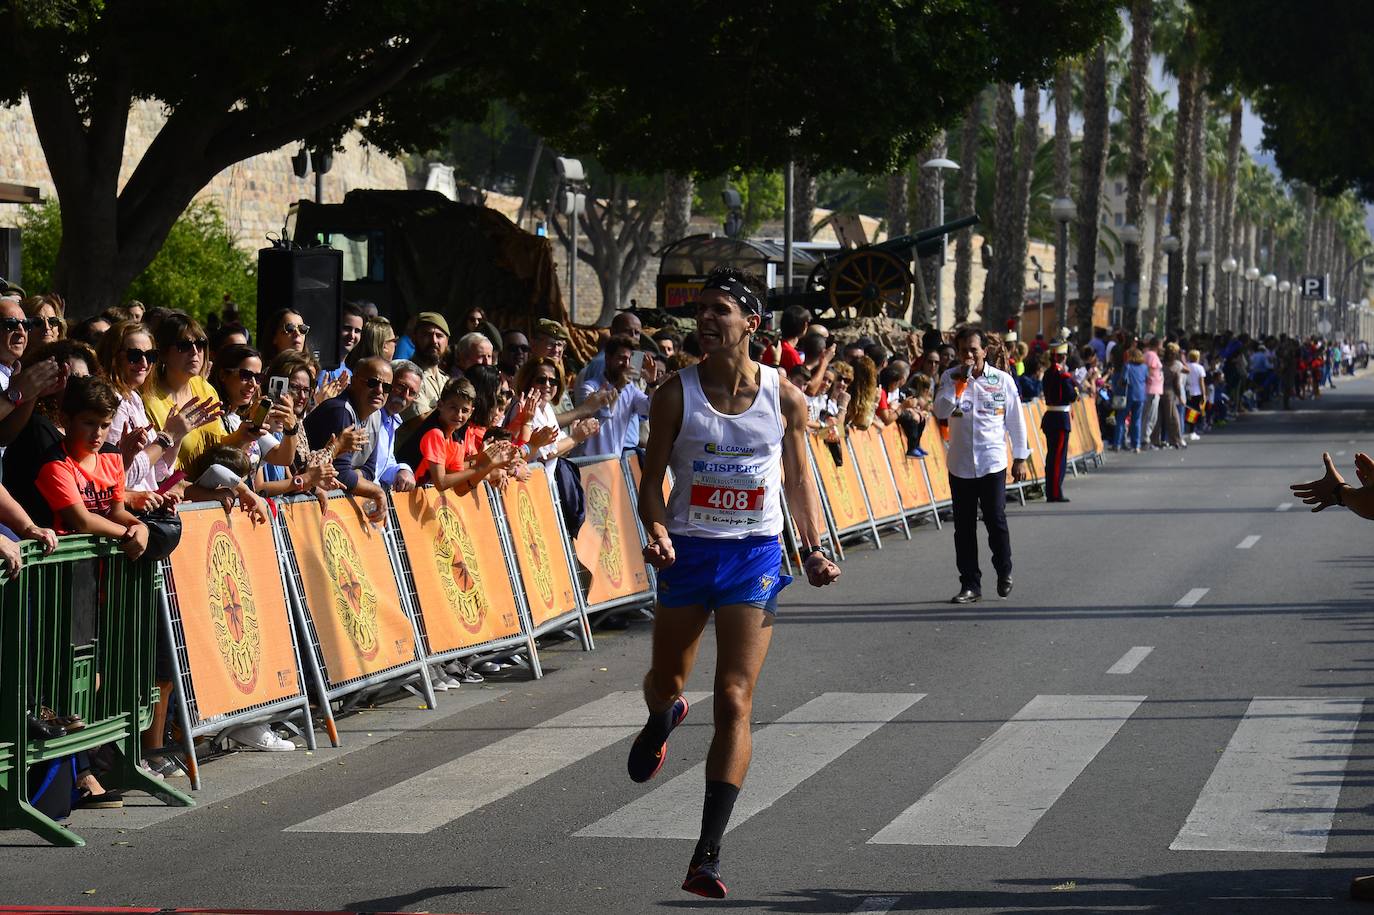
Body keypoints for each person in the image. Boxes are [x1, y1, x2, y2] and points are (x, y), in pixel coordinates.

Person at [634, 266, 840, 899]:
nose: (707, 319)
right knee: (668, 679)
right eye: (702, 310)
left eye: (720, 309)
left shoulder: (786, 397)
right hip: (688, 553)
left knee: (734, 697)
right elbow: (648, 483)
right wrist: (658, 527)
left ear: (751, 322)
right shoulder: (676, 393)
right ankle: (666, 712)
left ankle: (707, 854)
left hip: (753, 554)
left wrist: (810, 545)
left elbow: (799, 478)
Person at [932, 326, 1029, 603]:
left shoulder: (1002, 381)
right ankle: (970, 584)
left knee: (995, 520)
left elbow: (1015, 421)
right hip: (961, 464)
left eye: (973, 349)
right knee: (963, 528)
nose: (969, 355)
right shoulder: (950, 377)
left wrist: (1020, 457)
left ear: (984, 350)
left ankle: (1004, 570)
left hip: (992, 462)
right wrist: (958, 386)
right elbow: (939, 411)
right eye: (964, 350)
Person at [303, 356, 391, 524]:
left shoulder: (376, 415)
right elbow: (341, 473)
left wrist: (354, 477)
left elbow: (369, 469)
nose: (380, 390)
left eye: (386, 386)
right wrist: (376, 491)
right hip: (305, 502)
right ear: (354, 380)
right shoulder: (341, 411)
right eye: (373, 382)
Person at [573, 334, 660, 457]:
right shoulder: (589, 387)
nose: (626, 364)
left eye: (629, 359)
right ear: (608, 358)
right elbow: (599, 417)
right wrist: (618, 387)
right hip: (587, 464)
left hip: (613, 465)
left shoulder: (631, 390)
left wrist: (652, 383)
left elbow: (651, 409)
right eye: (622, 358)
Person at [1040, 340, 1077, 502]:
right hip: (1060, 419)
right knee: (1057, 458)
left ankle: (1052, 490)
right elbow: (1071, 396)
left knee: (1052, 456)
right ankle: (1054, 492)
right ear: (1062, 357)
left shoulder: (1048, 373)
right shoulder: (1062, 375)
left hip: (1050, 417)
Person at [402, 312, 450, 420]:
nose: (434, 341)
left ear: (447, 342)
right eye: (427, 334)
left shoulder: (446, 380)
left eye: (439, 336)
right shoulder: (407, 375)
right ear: (414, 338)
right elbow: (420, 421)